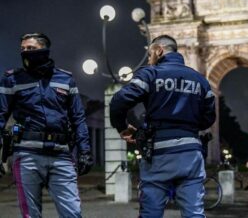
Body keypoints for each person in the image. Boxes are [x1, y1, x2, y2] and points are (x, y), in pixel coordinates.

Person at [109, 35, 216, 218]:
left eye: (150, 54)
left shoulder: (150, 74)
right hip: (191, 152)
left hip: (159, 152)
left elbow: (118, 102)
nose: (149, 59)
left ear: (158, 50)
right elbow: (209, 118)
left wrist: (122, 127)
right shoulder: (201, 80)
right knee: (194, 213)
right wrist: (187, 126)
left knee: (151, 212)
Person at [0, 33, 93, 217]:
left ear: (45, 50)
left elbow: (78, 118)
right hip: (27, 155)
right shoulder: (12, 79)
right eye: (23, 49)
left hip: (61, 156)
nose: (25, 52)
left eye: (31, 48)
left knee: (73, 213)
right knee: (31, 215)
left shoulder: (66, 79)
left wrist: (85, 151)